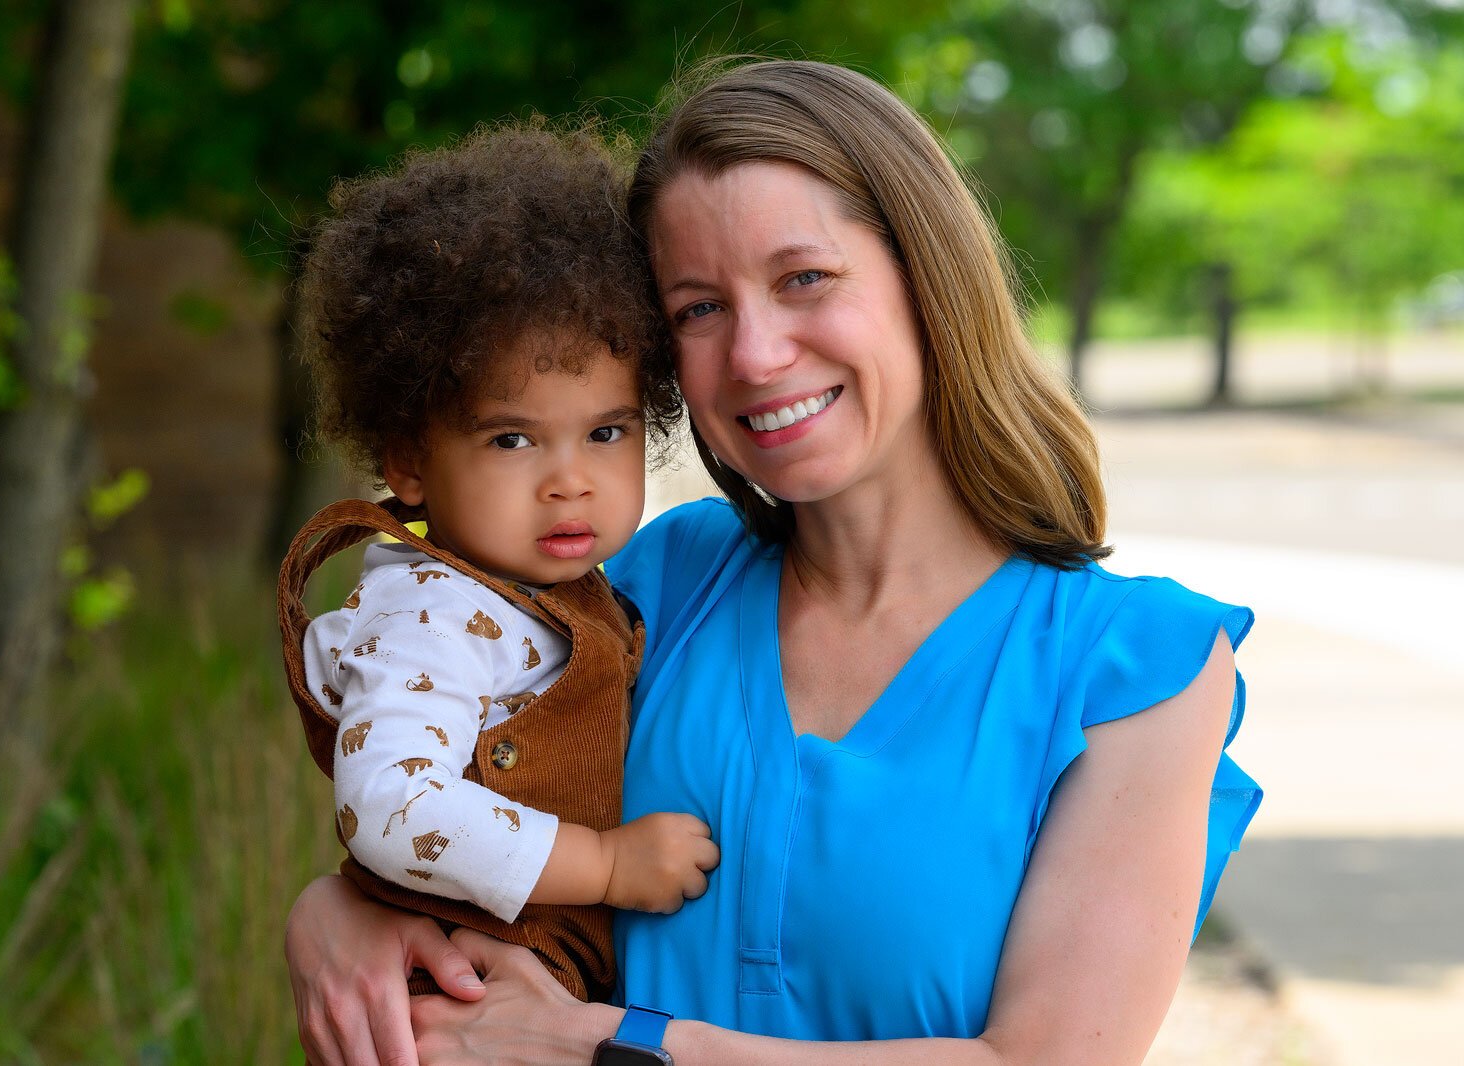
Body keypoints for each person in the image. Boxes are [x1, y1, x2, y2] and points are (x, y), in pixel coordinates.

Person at [284, 61, 1261, 1066]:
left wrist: (604, 1048)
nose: (754, 354)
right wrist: (334, 912)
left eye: (803, 279)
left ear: (927, 279)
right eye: (698, 309)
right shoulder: (637, 592)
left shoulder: (1138, 669)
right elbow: (436, 804)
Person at [277, 125, 719, 1007]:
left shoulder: (562, 591)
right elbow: (389, 811)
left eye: (606, 432)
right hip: (468, 998)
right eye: (512, 438)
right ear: (407, 462)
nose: (570, 483)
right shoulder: (429, 616)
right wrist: (604, 863)